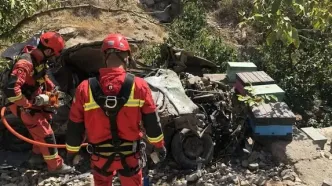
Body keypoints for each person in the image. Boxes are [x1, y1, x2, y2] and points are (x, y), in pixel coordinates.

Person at [65, 33, 166, 186]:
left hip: (100, 159)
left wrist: (72, 153)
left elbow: (74, 126)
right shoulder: (139, 86)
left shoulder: (85, 88)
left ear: (105, 56)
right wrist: (159, 147)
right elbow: (152, 123)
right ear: (127, 57)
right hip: (130, 157)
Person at [3, 31, 73, 174]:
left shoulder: (39, 60)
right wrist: (26, 105)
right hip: (23, 104)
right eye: (54, 54)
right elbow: (12, 89)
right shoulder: (25, 63)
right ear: (47, 50)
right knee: (45, 133)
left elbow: (41, 76)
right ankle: (56, 167)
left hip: (34, 99)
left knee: (44, 124)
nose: (54, 57)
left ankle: (36, 157)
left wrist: (53, 90)